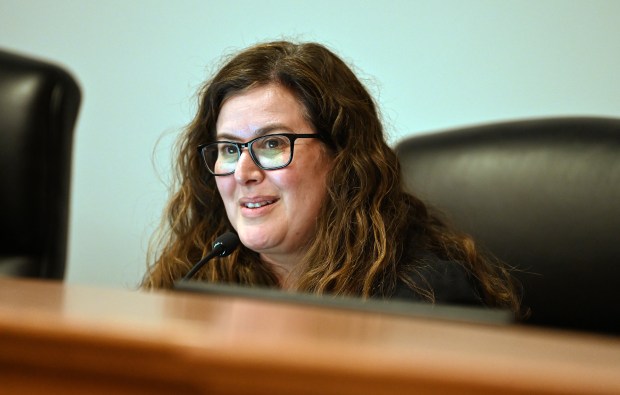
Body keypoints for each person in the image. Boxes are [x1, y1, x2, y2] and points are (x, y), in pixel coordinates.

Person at [142, 41, 522, 315]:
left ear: (342, 157)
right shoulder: (197, 271)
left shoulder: (424, 293)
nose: (243, 172)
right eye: (228, 149)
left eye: (272, 143)